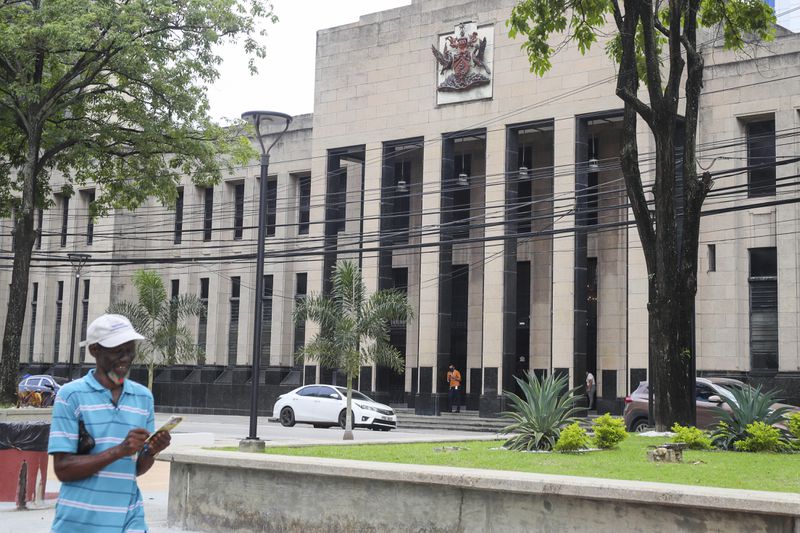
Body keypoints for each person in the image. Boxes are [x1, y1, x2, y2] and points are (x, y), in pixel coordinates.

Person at [48, 314, 172, 532]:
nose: (126, 357)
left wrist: (151, 451)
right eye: (117, 350)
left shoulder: (143, 398)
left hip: (129, 519)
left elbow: (134, 469)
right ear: (95, 350)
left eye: (130, 349)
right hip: (80, 522)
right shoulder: (71, 396)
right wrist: (119, 450)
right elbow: (63, 469)